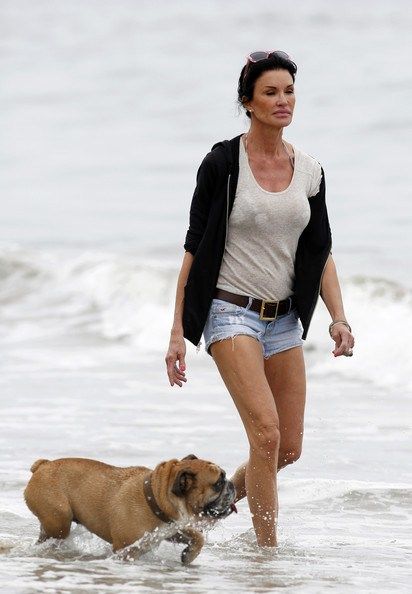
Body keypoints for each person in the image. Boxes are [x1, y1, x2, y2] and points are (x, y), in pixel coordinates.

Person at [165, 51, 355, 548]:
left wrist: (339, 317)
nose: (282, 100)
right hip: (229, 313)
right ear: (247, 101)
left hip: (284, 320)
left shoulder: (310, 169)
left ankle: (206, 511)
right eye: (270, 92)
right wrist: (177, 332)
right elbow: (192, 248)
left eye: (288, 91)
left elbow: (321, 251)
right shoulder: (223, 164)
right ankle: (266, 557)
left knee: (287, 448)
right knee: (265, 436)